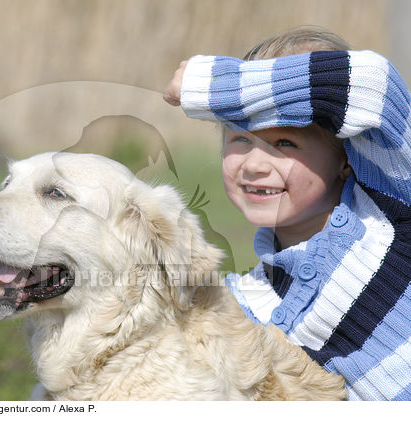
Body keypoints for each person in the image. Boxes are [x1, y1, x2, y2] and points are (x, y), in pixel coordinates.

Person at [163, 26, 411, 401]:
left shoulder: (391, 216)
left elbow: (370, 83)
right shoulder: (241, 301)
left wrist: (216, 88)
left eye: (284, 142)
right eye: (241, 139)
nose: (255, 164)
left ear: (346, 158)